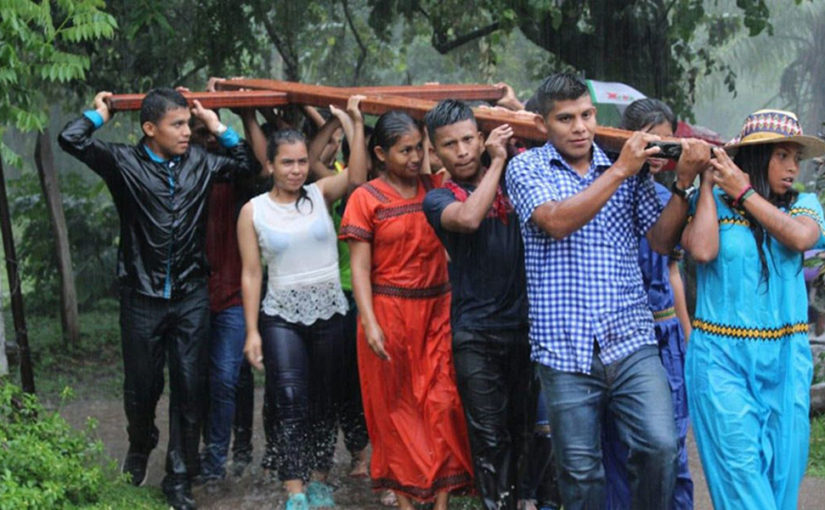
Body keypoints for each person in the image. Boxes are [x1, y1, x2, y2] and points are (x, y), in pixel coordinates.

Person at [504, 73, 708, 510]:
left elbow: (660, 241)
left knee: (660, 446)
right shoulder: (526, 167)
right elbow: (555, 221)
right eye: (565, 118)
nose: (579, 127)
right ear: (542, 125)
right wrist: (620, 170)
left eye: (587, 115)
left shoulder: (628, 170)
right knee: (580, 472)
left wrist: (683, 185)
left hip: (631, 339)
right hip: (564, 348)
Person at [58, 88, 259, 510]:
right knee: (141, 389)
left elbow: (247, 165)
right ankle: (140, 440)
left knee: (190, 390)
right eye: (179, 124)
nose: (188, 132)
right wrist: (100, 114)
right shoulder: (123, 162)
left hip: (190, 295)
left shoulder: (201, 163)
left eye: (189, 123)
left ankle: (178, 479)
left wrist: (215, 123)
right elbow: (70, 139)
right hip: (141, 296)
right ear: (150, 129)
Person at [682, 109, 825, 510]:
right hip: (721, 362)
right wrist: (709, 183)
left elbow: (800, 239)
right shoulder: (710, 202)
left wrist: (746, 193)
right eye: (782, 156)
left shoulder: (803, 205)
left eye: (796, 157)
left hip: (787, 362)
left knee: (782, 484)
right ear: (756, 158)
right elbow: (703, 250)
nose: (793, 167)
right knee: (743, 484)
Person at [340, 110, 474, 510]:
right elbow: (359, 269)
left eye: (420, 148)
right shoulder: (365, 199)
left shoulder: (437, 187)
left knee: (443, 403)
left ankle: (441, 502)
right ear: (380, 153)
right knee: (396, 410)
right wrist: (368, 321)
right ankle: (404, 501)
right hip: (390, 314)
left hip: (439, 309)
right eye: (406, 151)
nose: (415, 158)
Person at [421, 99, 533, 510]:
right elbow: (469, 218)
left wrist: (514, 108)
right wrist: (498, 162)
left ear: (481, 137)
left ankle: (522, 502)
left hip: (526, 327)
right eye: (450, 145)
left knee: (523, 431)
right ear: (435, 153)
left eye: (469, 139)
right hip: (475, 335)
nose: (463, 151)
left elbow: (543, 133)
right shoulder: (437, 199)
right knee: (489, 437)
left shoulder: (516, 177)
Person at [239, 129, 351, 510]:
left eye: (303, 161)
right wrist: (252, 331)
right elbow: (252, 273)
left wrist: (351, 121)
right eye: (287, 162)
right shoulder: (253, 210)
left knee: (325, 400)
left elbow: (357, 176)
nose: (297, 170)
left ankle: (319, 480)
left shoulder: (321, 195)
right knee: (289, 399)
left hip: (331, 312)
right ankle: (294, 489)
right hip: (280, 316)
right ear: (269, 165)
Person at [601, 98, 694, 510]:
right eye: (653, 142)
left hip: (665, 329)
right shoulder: (607, 190)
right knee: (620, 443)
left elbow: (673, 271)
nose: (661, 153)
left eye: (669, 144)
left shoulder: (669, 198)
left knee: (671, 440)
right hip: (620, 334)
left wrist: (689, 339)